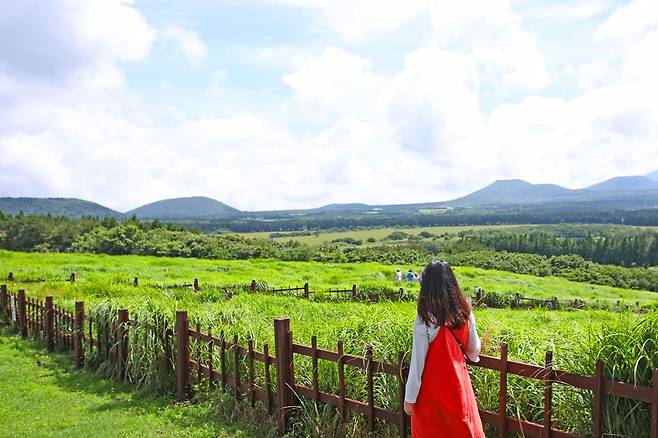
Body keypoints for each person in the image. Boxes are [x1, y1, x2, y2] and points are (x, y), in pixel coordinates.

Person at [403, 260, 484, 438]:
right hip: (458, 389)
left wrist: (409, 399)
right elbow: (473, 351)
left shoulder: (425, 315)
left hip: (430, 395)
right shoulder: (465, 311)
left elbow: (418, 363)